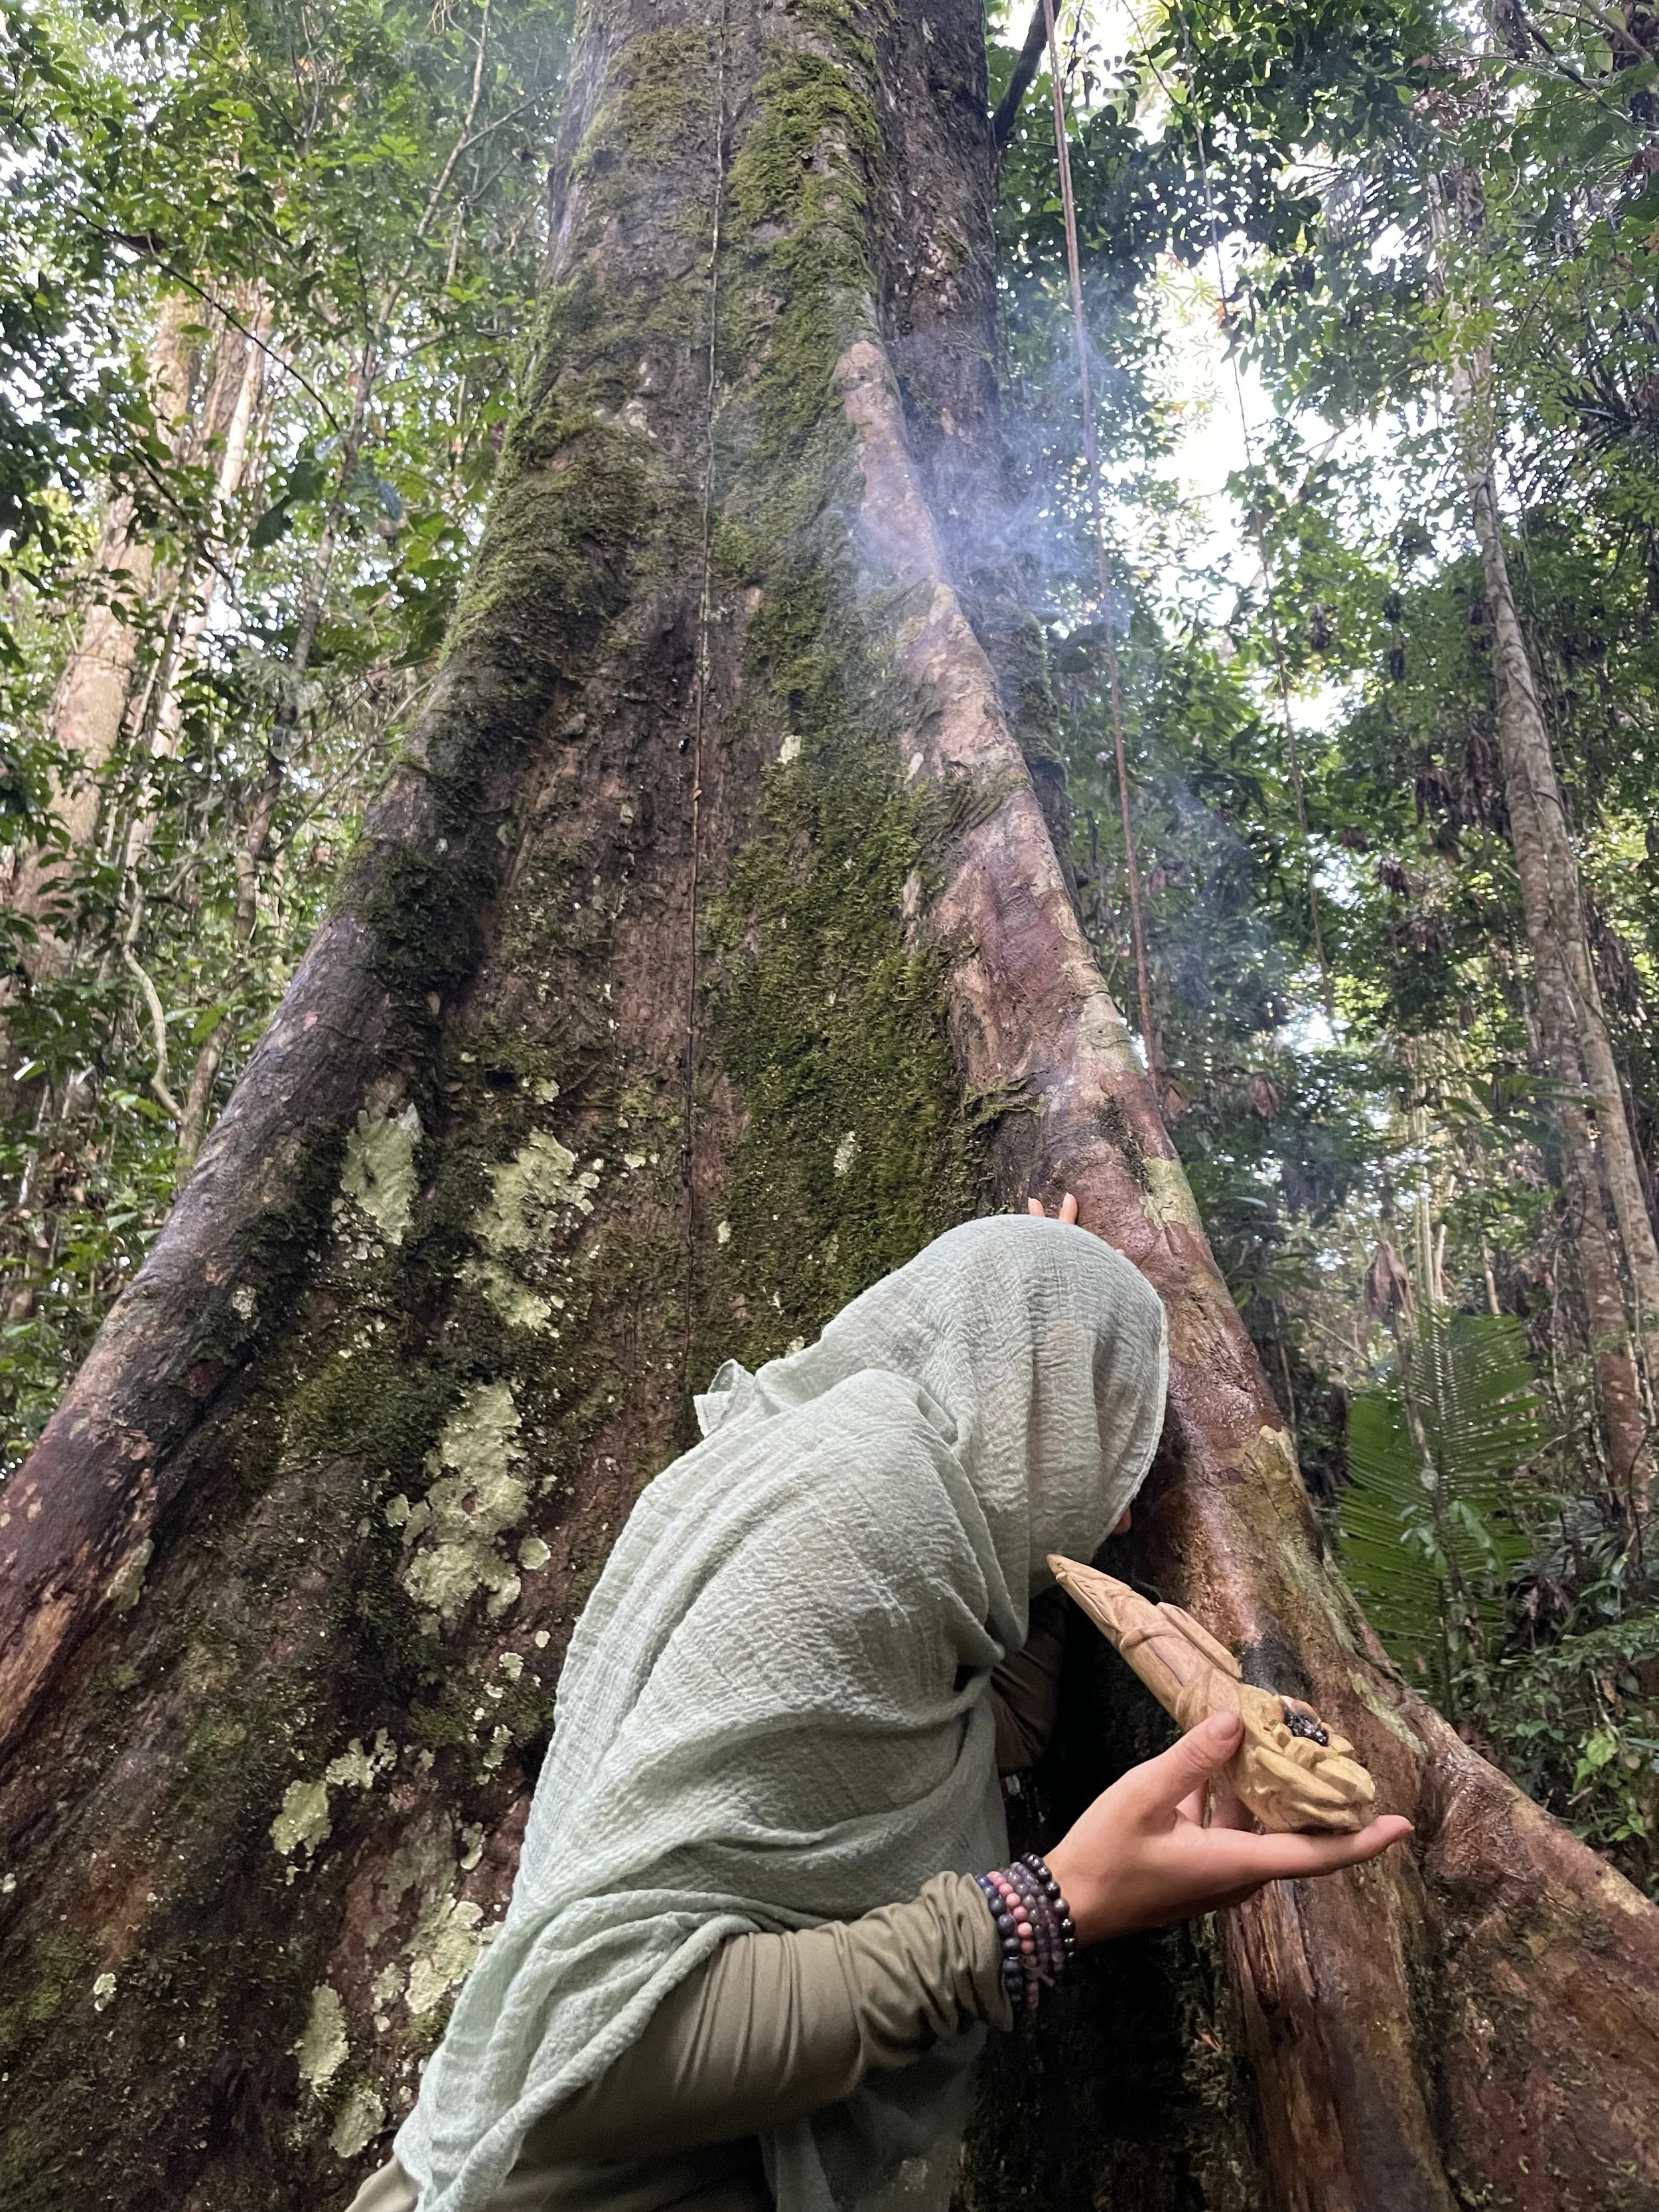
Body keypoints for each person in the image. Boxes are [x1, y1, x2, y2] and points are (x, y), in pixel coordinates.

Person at [350, 1203, 1409, 2212]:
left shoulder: (793, 1462)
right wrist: (1048, 1909)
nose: (1123, 1497)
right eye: (1096, 1423)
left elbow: (955, 1737)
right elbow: (590, 2049)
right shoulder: (865, 1515)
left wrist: (1037, 1356)